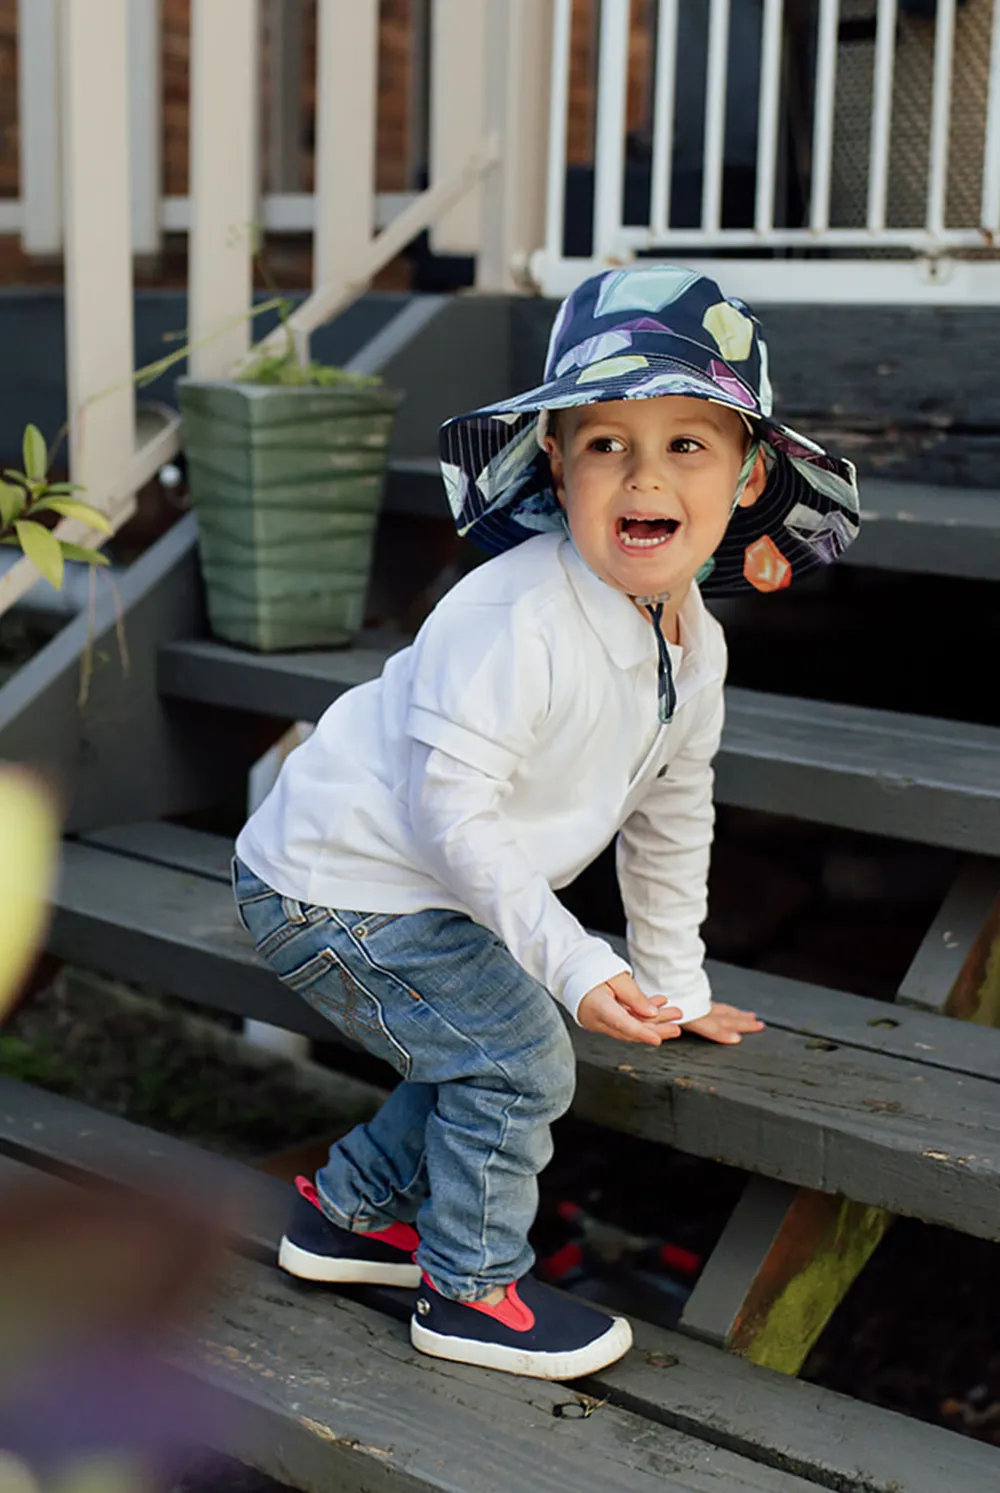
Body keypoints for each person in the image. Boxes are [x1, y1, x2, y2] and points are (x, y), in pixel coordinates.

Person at [232, 264, 860, 1380]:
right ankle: (467, 1290)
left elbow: (671, 808)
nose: (643, 474)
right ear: (557, 462)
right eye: (606, 442)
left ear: (748, 472)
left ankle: (343, 1216)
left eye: (686, 442)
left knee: (480, 1031)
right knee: (521, 1061)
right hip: (339, 885)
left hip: (425, 884)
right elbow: (448, 816)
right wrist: (573, 961)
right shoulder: (513, 615)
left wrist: (674, 979)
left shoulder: (692, 646)